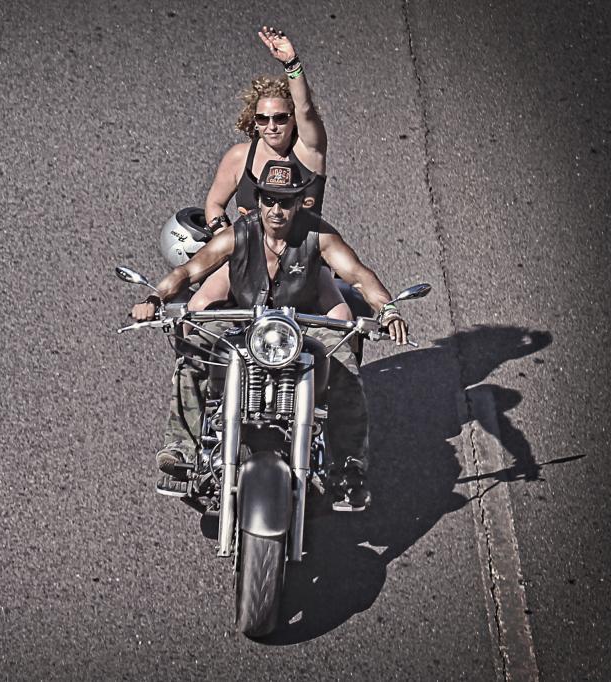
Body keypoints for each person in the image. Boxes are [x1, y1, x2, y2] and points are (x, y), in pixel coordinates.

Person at [132, 160, 408, 511]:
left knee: (346, 369)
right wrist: (155, 297)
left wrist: (387, 309)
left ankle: (349, 468)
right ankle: (183, 449)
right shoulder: (240, 233)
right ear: (259, 200)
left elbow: (357, 275)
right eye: (269, 200)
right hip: (244, 320)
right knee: (193, 353)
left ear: (300, 202)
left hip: (303, 325)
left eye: (286, 201)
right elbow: (189, 270)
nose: (277, 210)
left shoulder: (317, 236)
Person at [192, 26, 350, 319]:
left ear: (292, 120)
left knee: (342, 319)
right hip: (248, 257)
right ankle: (189, 366)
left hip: (303, 257)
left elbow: (305, 108)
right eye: (263, 118)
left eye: (280, 117)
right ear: (254, 120)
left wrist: (292, 65)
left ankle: (339, 367)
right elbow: (214, 204)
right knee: (198, 308)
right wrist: (225, 234)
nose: (271, 126)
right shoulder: (240, 157)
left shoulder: (309, 153)